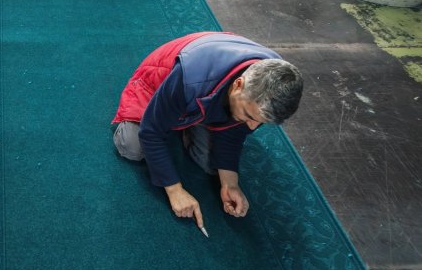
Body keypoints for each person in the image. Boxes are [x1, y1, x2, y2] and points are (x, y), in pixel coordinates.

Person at [112, 32, 303, 232]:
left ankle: (192, 115)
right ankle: (187, 115)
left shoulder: (278, 83)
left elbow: (233, 133)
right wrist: (175, 190)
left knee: (213, 166)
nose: (252, 127)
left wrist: (230, 184)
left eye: (260, 121)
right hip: (158, 83)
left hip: (203, 90)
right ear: (238, 85)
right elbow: (151, 131)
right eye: (249, 115)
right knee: (132, 146)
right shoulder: (189, 77)